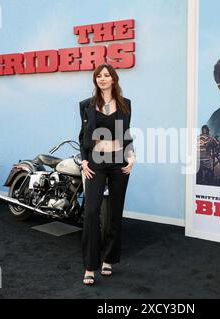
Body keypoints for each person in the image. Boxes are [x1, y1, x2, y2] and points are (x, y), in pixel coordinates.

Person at [78, 63, 135, 286]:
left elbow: (126, 134)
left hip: (119, 161)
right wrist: (84, 159)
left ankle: (109, 259)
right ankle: (90, 265)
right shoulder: (86, 105)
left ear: (113, 79)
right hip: (96, 162)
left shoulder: (125, 104)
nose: (102, 79)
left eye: (106, 75)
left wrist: (132, 156)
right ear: (96, 80)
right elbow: (83, 135)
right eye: (98, 76)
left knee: (114, 212)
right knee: (92, 212)